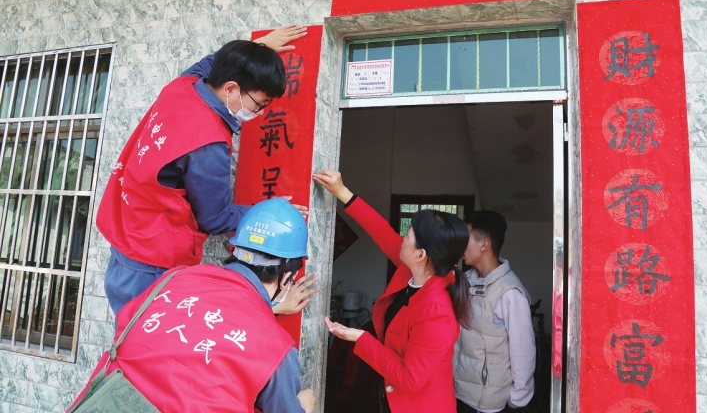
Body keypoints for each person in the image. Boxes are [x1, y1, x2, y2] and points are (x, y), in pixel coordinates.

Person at [97, 26, 311, 316]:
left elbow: (209, 63)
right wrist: (266, 213)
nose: (260, 113)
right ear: (230, 88)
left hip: (126, 237)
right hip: (152, 262)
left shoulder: (182, 87)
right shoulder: (208, 144)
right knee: (148, 337)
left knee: (127, 329)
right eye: (259, 104)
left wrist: (255, 49)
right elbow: (215, 218)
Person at [69, 198, 316, 413]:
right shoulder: (277, 350)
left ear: (235, 250)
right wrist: (303, 405)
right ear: (286, 278)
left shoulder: (174, 278)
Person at [313, 169, 471, 413]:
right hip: (391, 396)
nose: (401, 239)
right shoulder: (417, 268)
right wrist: (342, 192)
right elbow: (381, 232)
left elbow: (409, 378)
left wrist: (360, 338)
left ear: (421, 254)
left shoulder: (437, 311)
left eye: (407, 235)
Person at [454, 211, 535, 413]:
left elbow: (523, 351)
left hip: (489, 403)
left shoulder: (510, 293)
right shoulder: (464, 281)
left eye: (466, 238)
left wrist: (518, 398)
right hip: (459, 392)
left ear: (484, 244)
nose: (460, 244)